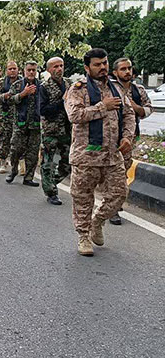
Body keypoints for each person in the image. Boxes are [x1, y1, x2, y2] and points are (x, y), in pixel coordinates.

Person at [64, 48, 135, 256]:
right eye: (97, 64)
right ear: (87, 67)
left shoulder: (116, 88)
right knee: (83, 198)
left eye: (105, 63)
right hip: (86, 155)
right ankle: (84, 236)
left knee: (119, 193)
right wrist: (102, 106)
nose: (103, 67)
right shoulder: (78, 89)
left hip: (112, 155)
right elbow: (74, 115)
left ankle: (98, 221)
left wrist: (127, 137)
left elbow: (128, 113)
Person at [109, 57, 153, 225]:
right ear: (115, 72)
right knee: (113, 174)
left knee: (122, 171)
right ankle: (112, 208)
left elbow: (148, 109)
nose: (127, 72)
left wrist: (135, 107)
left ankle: (115, 203)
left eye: (129, 68)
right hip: (109, 137)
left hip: (129, 137)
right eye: (123, 69)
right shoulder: (109, 88)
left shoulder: (138, 90)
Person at [39, 57, 72, 205]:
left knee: (68, 164)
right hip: (50, 131)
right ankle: (51, 192)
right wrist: (62, 102)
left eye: (61, 66)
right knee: (48, 163)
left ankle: (51, 181)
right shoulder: (44, 87)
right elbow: (43, 110)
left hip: (66, 130)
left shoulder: (69, 84)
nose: (59, 69)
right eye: (55, 67)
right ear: (49, 70)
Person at [5, 61, 41, 187]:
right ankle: (13, 170)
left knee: (32, 153)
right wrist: (22, 94)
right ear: (24, 71)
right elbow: (9, 100)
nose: (31, 72)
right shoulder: (17, 85)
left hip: (35, 125)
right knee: (15, 150)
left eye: (33, 70)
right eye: (29, 70)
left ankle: (29, 177)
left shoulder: (41, 85)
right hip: (20, 124)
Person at [0, 61, 21, 174]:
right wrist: (4, 96)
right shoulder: (1, 82)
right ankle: (3, 162)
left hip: (19, 115)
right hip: (5, 116)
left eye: (14, 68)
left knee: (19, 140)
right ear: (6, 71)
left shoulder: (22, 82)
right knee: (4, 138)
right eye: (10, 69)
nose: (12, 71)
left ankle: (18, 164)